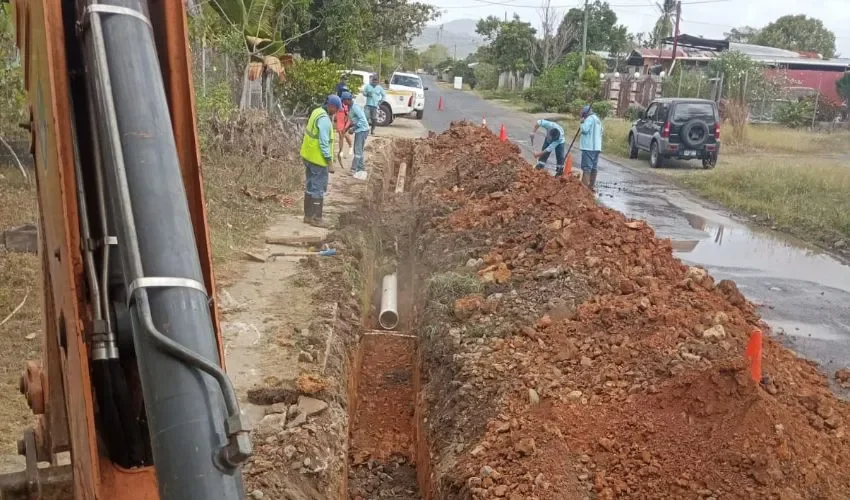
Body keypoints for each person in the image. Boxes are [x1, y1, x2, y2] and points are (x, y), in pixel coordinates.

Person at [300, 95, 341, 227]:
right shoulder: (324, 120)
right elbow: (324, 143)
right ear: (331, 106)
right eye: (336, 109)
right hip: (318, 159)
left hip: (308, 156)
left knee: (310, 185)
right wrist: (329, 161)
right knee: (318, 188)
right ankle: (316, 218)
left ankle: (307, 216)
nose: (336, 112)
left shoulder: (316, 112)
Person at [343, 91, 370, 179]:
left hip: (362, 130)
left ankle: (353, 169)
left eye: (344, 101)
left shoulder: (355, 107)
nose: (343, 102)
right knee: (359, 150)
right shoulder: (351, 107)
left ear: (348, 100)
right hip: (359, 129)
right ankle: (361, 168)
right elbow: (352, 120)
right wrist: (346, 129)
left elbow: (362, 120)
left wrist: (353, 129)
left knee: (357, 150)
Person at [579, 104, 603, 191]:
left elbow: (585, 130)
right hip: (597, 147)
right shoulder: (597, 120)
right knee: (594, 167)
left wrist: (581, 123)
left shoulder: (589, 119)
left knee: (587, 167)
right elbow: (602, 131)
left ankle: (584, 189)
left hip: (589, 147)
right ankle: (591, 186)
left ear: (585, 114)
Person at [335, 89, 353, 163]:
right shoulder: (339, 104)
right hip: (339, 122)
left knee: (346, 136)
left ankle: (350, 146)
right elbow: (335, 113)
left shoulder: (346, 105)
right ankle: (341, 151)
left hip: (344, 122)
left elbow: (348, 115)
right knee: (341, 137)